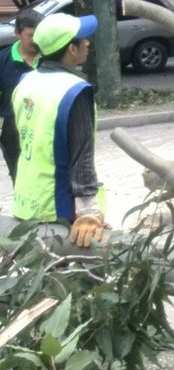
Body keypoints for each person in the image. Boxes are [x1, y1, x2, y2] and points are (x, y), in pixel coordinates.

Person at [11, 13, 106, 248]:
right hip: (59, 207)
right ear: (71, 49)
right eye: (82, 39)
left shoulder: (26, 81)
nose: (88, 42)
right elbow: (81, 154)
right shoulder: (75, 90)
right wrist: (89, 213)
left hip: (25, 202)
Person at [0, 9, 43, 182]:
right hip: (13, 131)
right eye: (30, 35)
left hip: (44, 127)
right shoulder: (3, 61)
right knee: (20, 179)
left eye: (39, 34)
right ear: (18, 34)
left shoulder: (50, 58)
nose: (36, 40)